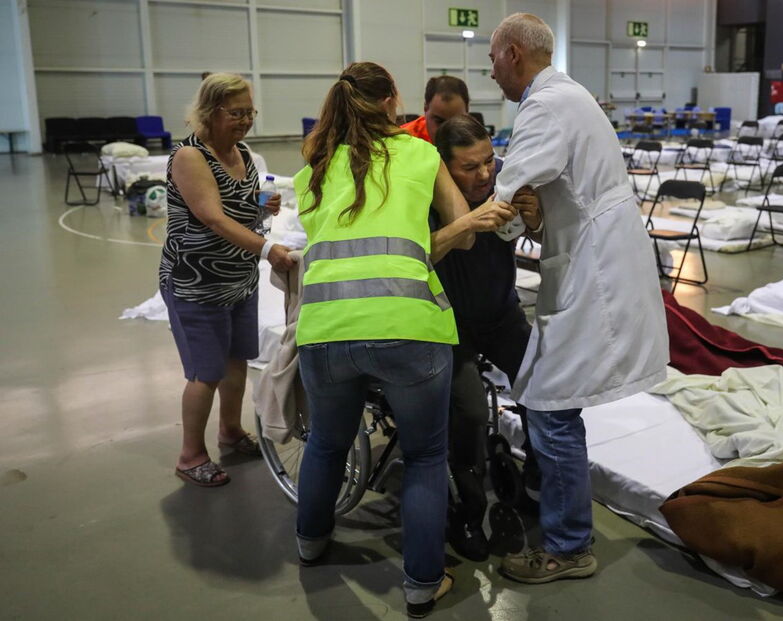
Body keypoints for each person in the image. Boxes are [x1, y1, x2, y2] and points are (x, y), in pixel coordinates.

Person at [292, 62, 516, 618]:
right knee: (422, 457)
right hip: (408, 329)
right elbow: (463, 232)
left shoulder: (312, 172)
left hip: (325, 330)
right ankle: (420, 585)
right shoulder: (420, 156)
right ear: (394, 101)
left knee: (324, 443)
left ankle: (310, 542)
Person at [488, 14, 669, 583]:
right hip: (595, 258)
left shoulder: (543, 107)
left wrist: (476, 219)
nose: (491, 73)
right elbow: (548, 192)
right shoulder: (570, 96)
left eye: (493, 60)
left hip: (598, 270)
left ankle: (568, 546)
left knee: (550, 404)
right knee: (548, 400)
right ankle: (557, 513)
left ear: (514, 53)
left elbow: (507, 192)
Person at [160, 73, 296, 487]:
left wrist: (262, 207)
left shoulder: (243, 152)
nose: (245, 121)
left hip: (237, 279)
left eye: (249, 112)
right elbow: (212, 217)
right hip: (194, 283)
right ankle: (190, 455)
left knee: (236, 363)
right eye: (236, 113)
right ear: (209, 111)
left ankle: (231, 431)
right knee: (206, 372)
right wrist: (267, 249)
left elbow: (239, 209)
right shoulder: (190, 157)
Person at [431, 114, 542, 562]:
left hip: (500, 316)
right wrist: (466, 223)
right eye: (469, 167)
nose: (483, 175)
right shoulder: (426, 202)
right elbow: (412, 255)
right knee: (471, 413)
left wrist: (535, 221)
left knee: (547, 384)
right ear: (443, 166)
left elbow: (540, 236)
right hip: (447, 326)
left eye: (488, 162)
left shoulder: (504, 190)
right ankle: (467, 512)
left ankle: (535, 479)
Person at [401, 75, 470, 144]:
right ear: (425, 109)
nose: (448, 132)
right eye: (439, 122)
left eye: (456, 122)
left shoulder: (477, 141)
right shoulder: (403, 140)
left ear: (467, 112)